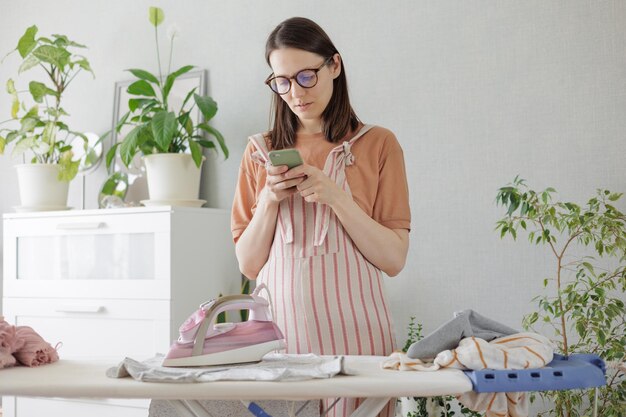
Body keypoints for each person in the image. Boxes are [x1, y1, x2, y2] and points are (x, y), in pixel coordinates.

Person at [231, 17, 411, 417]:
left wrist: (337, 199)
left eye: (306, 76)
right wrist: (269, 202)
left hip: (359, 340)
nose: (295, 93)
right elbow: (248, 263)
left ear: (334, 66)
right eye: (282, 81)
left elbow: (394, 259)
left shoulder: (379, 145)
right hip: (279, 342)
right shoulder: (258, 153)